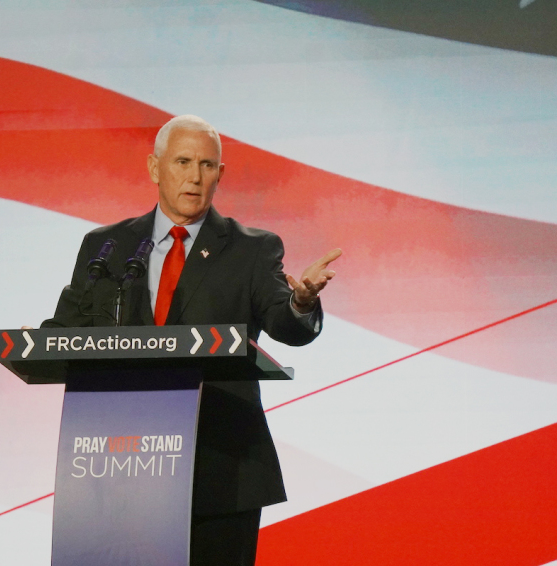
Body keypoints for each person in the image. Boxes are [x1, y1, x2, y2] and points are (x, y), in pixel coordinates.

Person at [42, 115, 341, 566]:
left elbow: (285, 323)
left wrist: (301, 302)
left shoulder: (251, 249)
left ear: (220, 175)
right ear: (155, 167)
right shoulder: (107, 246)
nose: (195, 176)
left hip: (220, 471)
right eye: (183, 161)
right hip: (120, 466)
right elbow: (68, 329)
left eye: (207, 165)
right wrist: (34, 343)